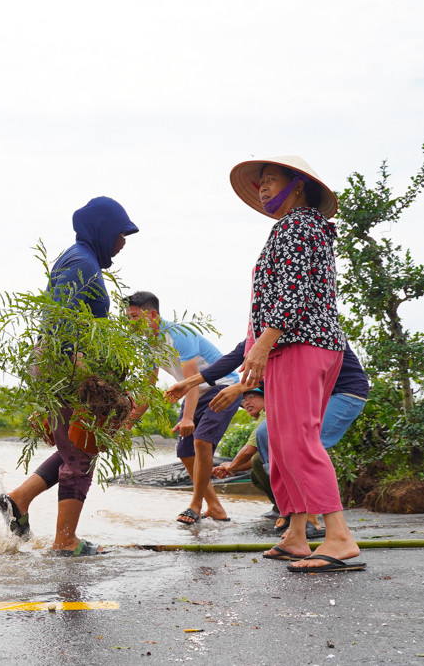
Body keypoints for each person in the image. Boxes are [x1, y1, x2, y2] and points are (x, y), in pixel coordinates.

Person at [229, 155, 364, 572]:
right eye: (261, 183)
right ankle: (296, 534)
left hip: (299, 343)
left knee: (300, 440)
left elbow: (294, 290)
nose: (263, 188)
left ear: (299, 184)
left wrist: (263, 344)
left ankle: (339, 537)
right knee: (285, 441)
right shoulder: (298, 227)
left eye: (271, 180)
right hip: (304, 343)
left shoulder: (297, 225)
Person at [0, 196, 139, 555]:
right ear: (103, 230)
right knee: (81, 453)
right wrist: (83, 373)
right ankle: (64, 542)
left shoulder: (81, 258)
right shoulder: (81, 262)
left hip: (60, 364)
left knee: (75, 445)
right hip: (68, 364)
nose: (123, 242)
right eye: (121, 234)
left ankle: (20, 499)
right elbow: (62, 320)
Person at [170, 339, 369, 534]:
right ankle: (291, 510)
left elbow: (295, 365)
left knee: (305, 446)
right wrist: (187, 383)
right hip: (306, 395)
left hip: (340, 392)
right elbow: (231, 359)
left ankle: (314, 520)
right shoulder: (262, 330)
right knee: (265, 432)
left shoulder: (296, 324)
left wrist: (240, 388)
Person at [126, 292, 240, 525]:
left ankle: (195, 505)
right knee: (185, 451)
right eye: (128, 318)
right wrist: (128, 424)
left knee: (201, 441)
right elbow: (148, 389)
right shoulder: (150, 345)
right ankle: (216, 507)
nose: (131, 324)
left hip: (222, 386)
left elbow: (193, 380)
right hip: (193, 392)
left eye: (135, 317)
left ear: (153, 314)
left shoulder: (178, 335)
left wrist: (188, 418)